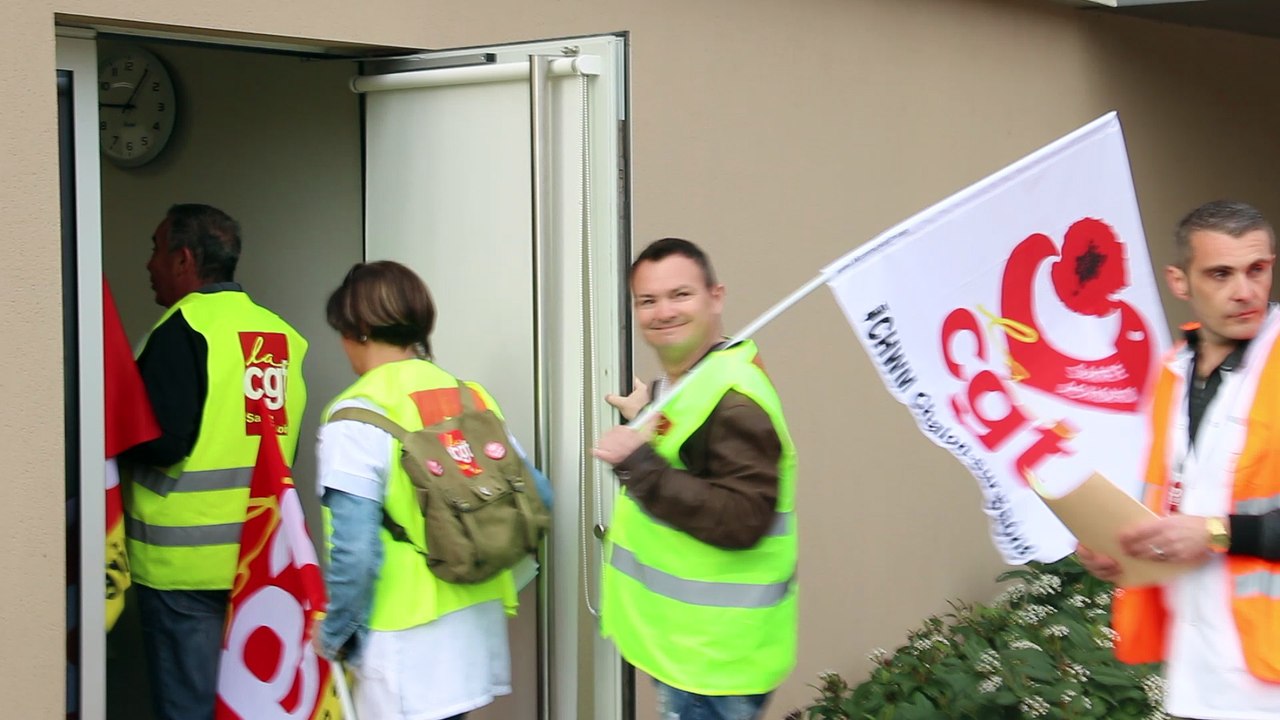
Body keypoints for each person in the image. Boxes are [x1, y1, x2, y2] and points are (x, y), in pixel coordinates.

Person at [1077, 200, 1280, 719]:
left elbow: (1210, 523)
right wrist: (1118, 551)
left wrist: (1216, 532)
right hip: (1198, 671)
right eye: (1221, 273)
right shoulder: (1174, 370)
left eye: (1258, 269)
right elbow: (1173, 501)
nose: (1246, 291)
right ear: (1179, 280)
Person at [315, 260, 540, 720]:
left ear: (358, 330)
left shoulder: (355, 415)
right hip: (476, 621)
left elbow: (355, 551)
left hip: (403, 637)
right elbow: (539, 497)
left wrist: (335, 632)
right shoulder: (470, 397)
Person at [593, 238, 798, 720]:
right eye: (648, 300)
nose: (663, 311)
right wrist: (646, 414)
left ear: (716, 297)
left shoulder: (734, 399)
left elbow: (742, 519)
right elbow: (694, 460)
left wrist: (639, 461)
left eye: (679, 295)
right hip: (690, 652)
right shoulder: (696, 380)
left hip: (712, 666)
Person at [121, 203, 309, 720]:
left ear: (183, 259)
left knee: (188, 707)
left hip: (183, 563)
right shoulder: (280, 336)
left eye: (156, 249)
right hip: (259, 559)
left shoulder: (181, 330)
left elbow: (164, 442)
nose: (149, 264)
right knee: (249, 705)